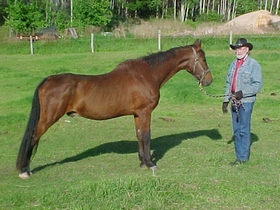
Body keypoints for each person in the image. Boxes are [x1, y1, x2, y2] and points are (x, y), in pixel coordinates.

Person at [222, 38, 262, 166]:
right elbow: (229, 83)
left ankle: (242, 158)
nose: (239, 51)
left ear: (247, 49)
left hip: (246, 102)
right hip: (234, 101)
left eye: (241, 48)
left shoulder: (253, 65)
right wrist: (225, 100)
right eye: (237, 49)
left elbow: (257, 85)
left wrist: (242, 92)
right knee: (236, 130)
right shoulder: (233, 64)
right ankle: (239, 155)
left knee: (243, 130)